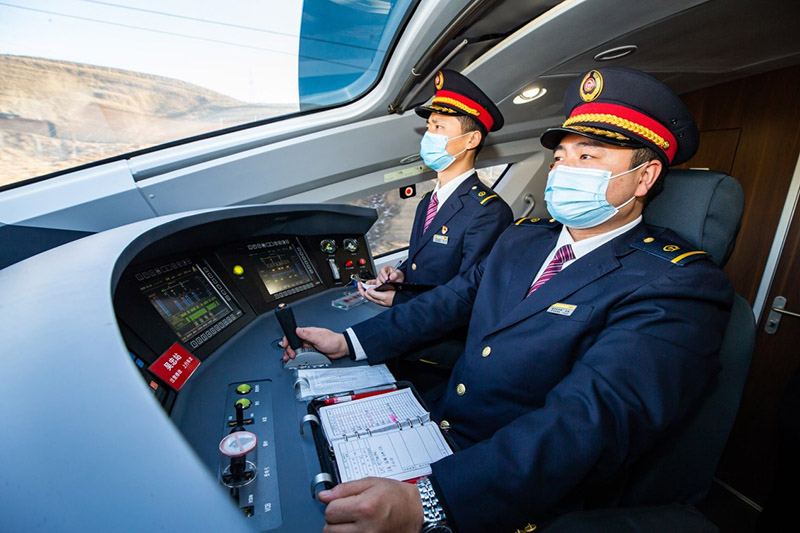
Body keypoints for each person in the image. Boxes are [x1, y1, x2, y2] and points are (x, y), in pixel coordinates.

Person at [284, 67, 734, 533]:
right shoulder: (524, 240)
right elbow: (450, 301)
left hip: (513, 485)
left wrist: (434, 503)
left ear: (645, 177)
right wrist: (350, 342)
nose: (563, 171)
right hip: (443, 428)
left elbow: (590, 419)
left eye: (587, 156)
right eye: (560, 158)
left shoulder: (678, 283)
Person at [358, 69, 513, 309]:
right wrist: (401, 275)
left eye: (439, 127)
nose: (429, 135)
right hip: (413, 316)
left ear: (471, 140)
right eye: (429, 127)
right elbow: (427, 264)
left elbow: (468, 295)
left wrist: (401, 300)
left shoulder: (489, 212)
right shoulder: (429, 201)